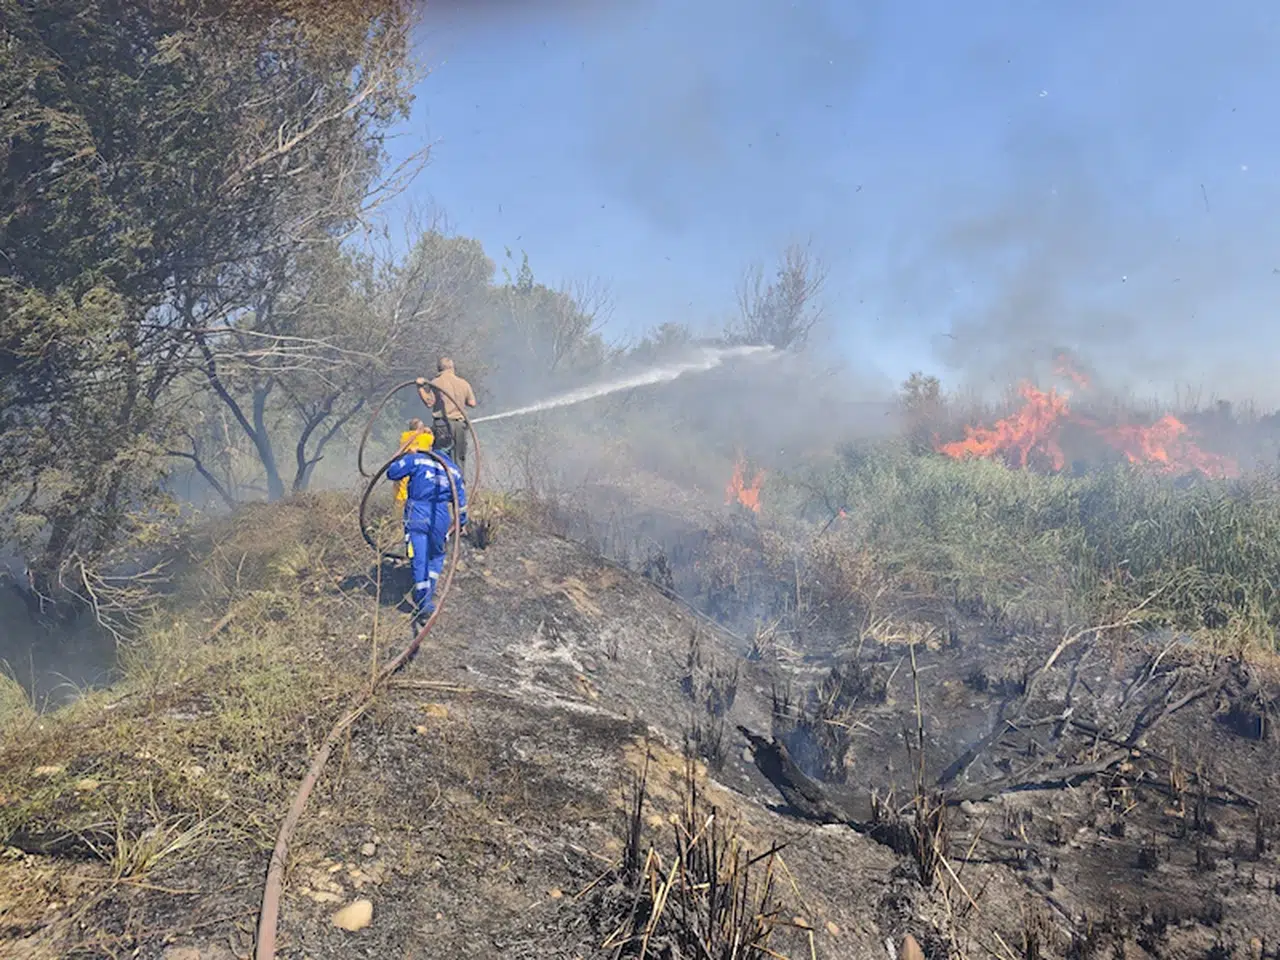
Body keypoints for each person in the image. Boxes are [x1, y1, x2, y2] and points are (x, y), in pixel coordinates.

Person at [385, 427, 467, 625]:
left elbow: (392, 472)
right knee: (437, 555)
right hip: (440, 516)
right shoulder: (455, 471)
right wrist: (460, 524)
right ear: (451, 447)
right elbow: (461, 506)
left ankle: (423, 599)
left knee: (419, 557)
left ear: (432, 443)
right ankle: (428, 590)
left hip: (417, 514)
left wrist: (405, 453)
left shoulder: (417, 459)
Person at [417, 356, 477, 472]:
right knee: (459, 458)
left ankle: (445, 484)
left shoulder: (436, 382)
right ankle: (459, 485)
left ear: (439, 369)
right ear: (452, 368)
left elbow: (429, 402)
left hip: (442, 425)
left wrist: (420, 388)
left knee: (442, 457)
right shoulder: (463, 383)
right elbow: (472, 403)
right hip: (460, 425)